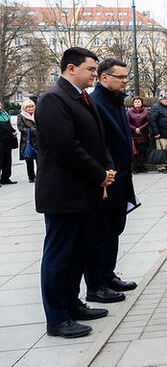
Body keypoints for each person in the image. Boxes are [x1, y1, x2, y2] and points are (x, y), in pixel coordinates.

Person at [35, 47, 115, 339]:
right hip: (63, 194)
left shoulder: (81, 98)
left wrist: (107, 168)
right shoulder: (52, 100)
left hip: (84, 192)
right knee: (60, 257)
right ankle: (56, 318)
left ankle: (72, 304)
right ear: (71, 69)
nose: (95, 74)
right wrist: (99, 173)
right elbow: (66, 147)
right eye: (91, 69)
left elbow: (97, 139)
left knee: (78, 253)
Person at [86, 58, 139, 304]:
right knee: (100, 233)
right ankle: (96, 285)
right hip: (106, 179)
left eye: (126, 77)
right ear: (104, 77)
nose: (125, 81)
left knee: (115, 229)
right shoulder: (96, 103)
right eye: (121, 77)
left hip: (121, 177)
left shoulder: (116, 100)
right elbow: (96, 143)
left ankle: (108, 275)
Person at [150, 93, 167, 173]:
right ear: (160, 100)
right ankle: (161, 166)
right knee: (161, 151)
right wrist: (156, 132)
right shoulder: (155, 107)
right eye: (165, 99)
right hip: (161, 134)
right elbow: (152, 121)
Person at [126, 97, 150, 173]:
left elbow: (148, 122)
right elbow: (127, 123)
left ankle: (141, 166)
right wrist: (135, 129)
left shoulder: (146, 111)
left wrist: (140, 128)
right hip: (133, 135)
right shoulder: (129, 112)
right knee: (135, 152)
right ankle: (135, 167)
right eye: (135, 102)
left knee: (142, 151)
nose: (137, 103)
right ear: (133, 103)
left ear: (141, 103)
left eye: (139, 101)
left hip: (143, 134)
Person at [17, 99, 37, 182]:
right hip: (27, 141)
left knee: (40, 160)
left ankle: (39, 176)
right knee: (29, 160)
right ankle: (31, 177)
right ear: (24, 108)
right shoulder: (21, 116)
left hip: (38, 140)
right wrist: (33, 130)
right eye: (28, 107)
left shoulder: (37, 114)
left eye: (32, 106)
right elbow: (21, 128)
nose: (30, 108)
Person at [0, 100, 18, 184]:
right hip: (1, 141)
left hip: (8, 141)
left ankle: (5, 178)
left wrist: (13, 131)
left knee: (7, 160)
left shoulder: (5, 114)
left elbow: (9, 126)